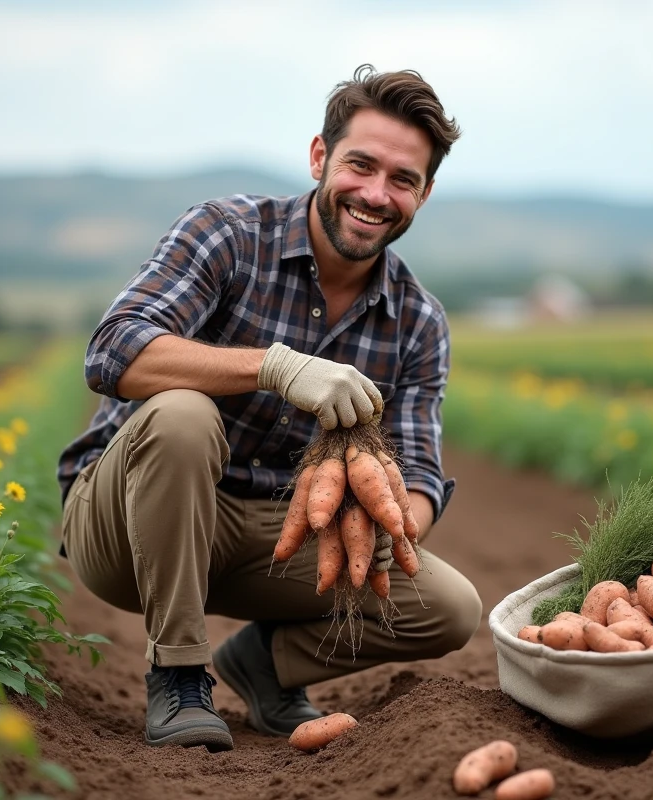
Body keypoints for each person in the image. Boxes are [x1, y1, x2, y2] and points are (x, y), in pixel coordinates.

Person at [56, 64, 482, 752]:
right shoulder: (229, 234)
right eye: (360, 166)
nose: (375, 195)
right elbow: (112, 351)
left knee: (450, 606)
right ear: (320, 156)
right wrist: (274, 367)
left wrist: (389, 523)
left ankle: (264, 666)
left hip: (275, 539)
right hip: (129, 525)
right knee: (182, 416)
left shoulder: (418, 322)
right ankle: (178, 674)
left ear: (424, 194)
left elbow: (424, 476)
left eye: (402, 180)